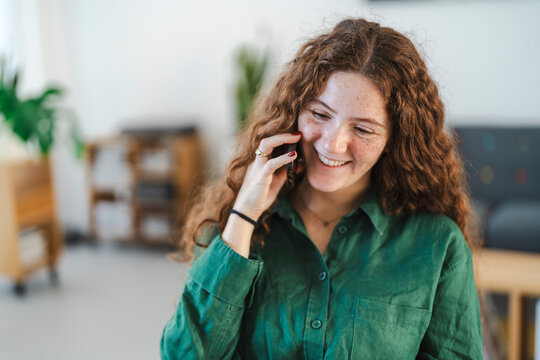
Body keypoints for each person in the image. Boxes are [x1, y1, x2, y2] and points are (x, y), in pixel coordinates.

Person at [161, 18, 483, 359]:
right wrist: (244, 215)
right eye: (320, 113)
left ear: (393, 140)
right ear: (295, 109)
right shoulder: (234, 221)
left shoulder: (437, 245)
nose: (332, 144)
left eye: (363, 129)